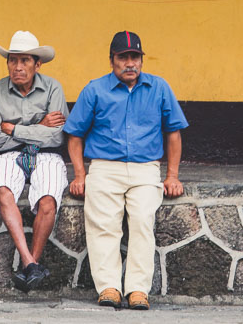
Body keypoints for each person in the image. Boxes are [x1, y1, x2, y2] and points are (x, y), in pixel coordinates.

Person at [64, 31, 187, 311]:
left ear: (141, 60)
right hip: (105, 167)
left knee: (143, 221)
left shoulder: (159, 88)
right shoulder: (95, 90)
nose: (130, 63)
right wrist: (80, 175)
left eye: (135, 57)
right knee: (103, 223)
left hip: (146, 169)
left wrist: (172, 175)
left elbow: (174, 133)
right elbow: (74, 134)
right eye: (123, 57)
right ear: (112, 61)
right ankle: (109, 287)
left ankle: (137, 290)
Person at [0, 30, 70, 292]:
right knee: (3, 191)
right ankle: (31, 264)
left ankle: (29, 264)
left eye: (25, 61)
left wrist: (15, 129)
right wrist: (39, 126)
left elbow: (56, 137)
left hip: (46, 155)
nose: (18, 67)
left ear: (37, 64)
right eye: (13, 60)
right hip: (9, 154)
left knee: (48, 199)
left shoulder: (53, 88)